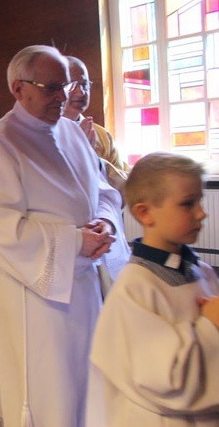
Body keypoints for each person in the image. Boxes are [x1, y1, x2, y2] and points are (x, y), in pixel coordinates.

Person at [0, 45, 128, 427]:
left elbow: (102, 191)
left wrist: (105, 221)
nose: (65, 96)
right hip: (37, 296)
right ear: (19, 88)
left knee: (86, 383)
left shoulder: (72, 133)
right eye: (52, 87)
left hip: (83, 286)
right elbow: (1, 228)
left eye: (67, 85)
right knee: (48, 390)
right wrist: (73, 242)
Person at [86, 152, 219, 426]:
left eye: (200, 201)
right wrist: (209, 326)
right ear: (145, 213)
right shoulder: (134, 289)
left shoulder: (202, 272)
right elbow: (165, 378)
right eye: (187, 204)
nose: (201, 212)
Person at [63, 56, 130, 195]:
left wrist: (96, 163)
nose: (81, 92)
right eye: (72, 85)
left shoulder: (102, 135)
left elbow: (125, 185)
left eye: (85, 84)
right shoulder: (42, 133)